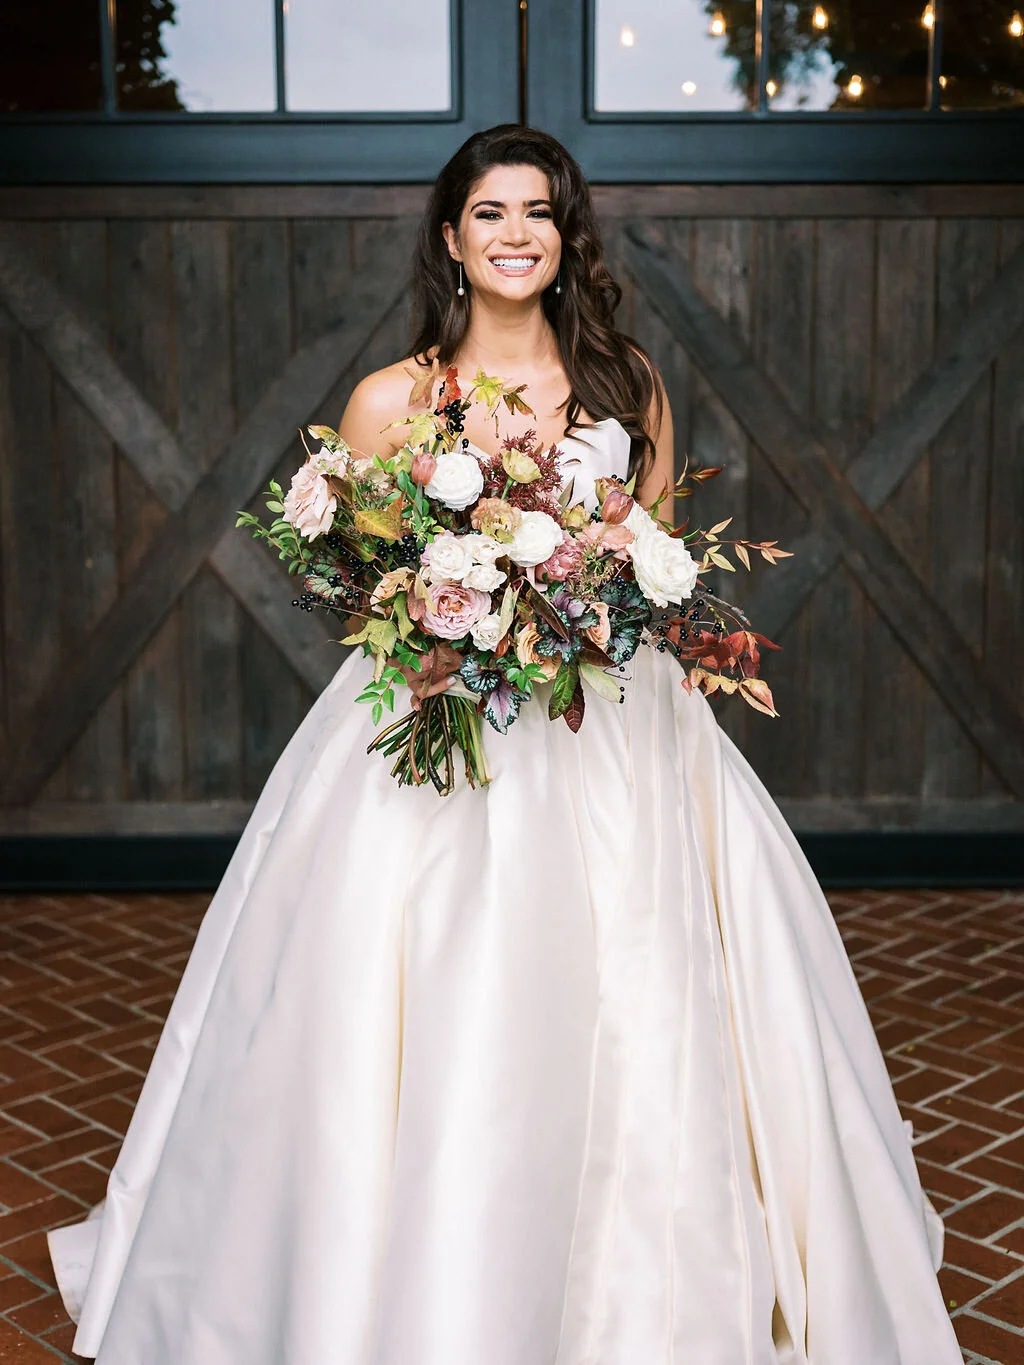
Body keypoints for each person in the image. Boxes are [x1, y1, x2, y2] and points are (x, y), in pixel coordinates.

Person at [47, 124, 961, 1365]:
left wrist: (594, 598)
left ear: (566, 235)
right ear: (450, 237)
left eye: (538, 210)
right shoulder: (392, 400)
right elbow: (361, 602)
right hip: (448, 732)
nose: (516, 233)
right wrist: (462, 617)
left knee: (647, 998)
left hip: (620, 735)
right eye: (490, 212)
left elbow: (655, 564)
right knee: (416, 1002)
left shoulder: (629, 385)